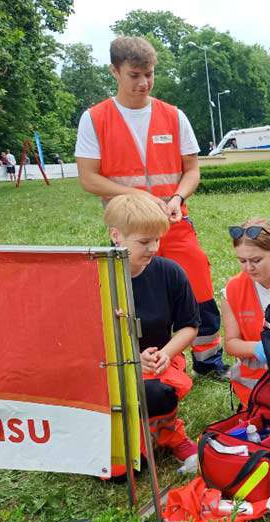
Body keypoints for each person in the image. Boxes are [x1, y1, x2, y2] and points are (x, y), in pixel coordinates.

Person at [75, 36, 228, 379]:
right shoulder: (95, 118)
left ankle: (208, 360)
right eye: (135, 75)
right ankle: (139, 359)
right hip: (129, 226)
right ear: (114, 71)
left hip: (174, 220)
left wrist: (178, 198)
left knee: (199, 286)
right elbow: (88, 178)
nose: (144, 83)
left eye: (150, 74)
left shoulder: (173, 116)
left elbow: (192, 170)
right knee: (134, 295)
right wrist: (138, 197)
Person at [104, 194, 201, 476]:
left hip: (160, 364)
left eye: (157, 239)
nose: (154, 248)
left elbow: (189, 326)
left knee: (156, 392)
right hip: (110, 366)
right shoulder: (94, 275)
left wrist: (165, 354)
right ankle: (129, 438)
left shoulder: (170, 272)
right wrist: (133, 358)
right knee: (122, 475)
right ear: (116, 235)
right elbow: (81, 338)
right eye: (144, 242)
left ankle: (171, 434)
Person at [221, 218, 270, 408]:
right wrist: (258, 349)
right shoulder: (233, 290)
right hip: (256, 388)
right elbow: (231, 343)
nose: (248, 268)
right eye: (242, 261)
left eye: (256, 260)